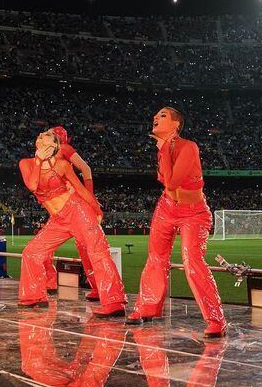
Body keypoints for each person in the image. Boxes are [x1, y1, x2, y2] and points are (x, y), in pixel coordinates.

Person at [127, 107, 225, 338]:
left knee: (192, 261)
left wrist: (163, 149)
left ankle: (215, 319)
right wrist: (162, 151)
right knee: (156, 257)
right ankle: (147, 307)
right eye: (156, 115)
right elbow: (165, 184)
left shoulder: (188, 147)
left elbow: (170, 182)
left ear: (176, 124)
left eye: (162, 115)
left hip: (194, 212)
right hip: (166, 208)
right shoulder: (163, 149)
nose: (155, 117)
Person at [16, 130, 127, 317]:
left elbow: (80, 189)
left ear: (54, 145)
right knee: (32, 252)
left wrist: (97, 209)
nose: (41, 135)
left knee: (98, 252)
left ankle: (114, 302)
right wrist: (38, 161)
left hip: (78, 211)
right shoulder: (26, 163)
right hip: (58, 220)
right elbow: (33, 185)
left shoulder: (62, 165)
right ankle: (34, 296)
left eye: (46, 135)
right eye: (40, 134)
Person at [42, 125, 102, 300]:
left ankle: (98, 288)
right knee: (44, 247)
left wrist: (89, 198)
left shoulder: (64, 149)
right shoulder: (46, 156)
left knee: (86, 249)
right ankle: (50, 281)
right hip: (61, 207)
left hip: (74, 206)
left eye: (49, 135)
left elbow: (86, 169)